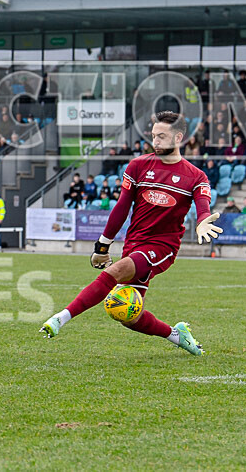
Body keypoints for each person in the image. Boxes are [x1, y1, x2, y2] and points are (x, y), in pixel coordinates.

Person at [40, 111, 223, 356]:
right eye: (153, 136)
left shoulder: (196, 177)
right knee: (129, 315)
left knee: (114, 272)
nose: (155, 141)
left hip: (162, 247)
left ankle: (60, 318)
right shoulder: (138, 166)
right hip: (134, 244)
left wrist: (202, 222)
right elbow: (122, 207)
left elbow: (203, 207)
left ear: (178, 137)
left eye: (161, 137)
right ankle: (177, 335)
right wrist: (102, 247)